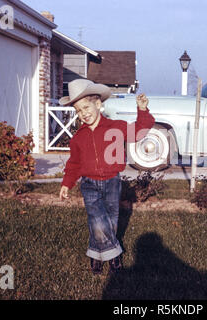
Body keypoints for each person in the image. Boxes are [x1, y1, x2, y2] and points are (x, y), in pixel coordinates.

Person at [58, 79, 155, 275]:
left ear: (99, 105)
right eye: (78, 110)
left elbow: (139, 131)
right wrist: (67, 184)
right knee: (97, 220)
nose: (83, 113)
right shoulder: (78, 138)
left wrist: (142, 110)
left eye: (86, 107)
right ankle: (114, 256)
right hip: (89, 184)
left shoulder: (115, 127)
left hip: (112, 182)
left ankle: (95, 255)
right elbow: (74, 164)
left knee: (110, 221)